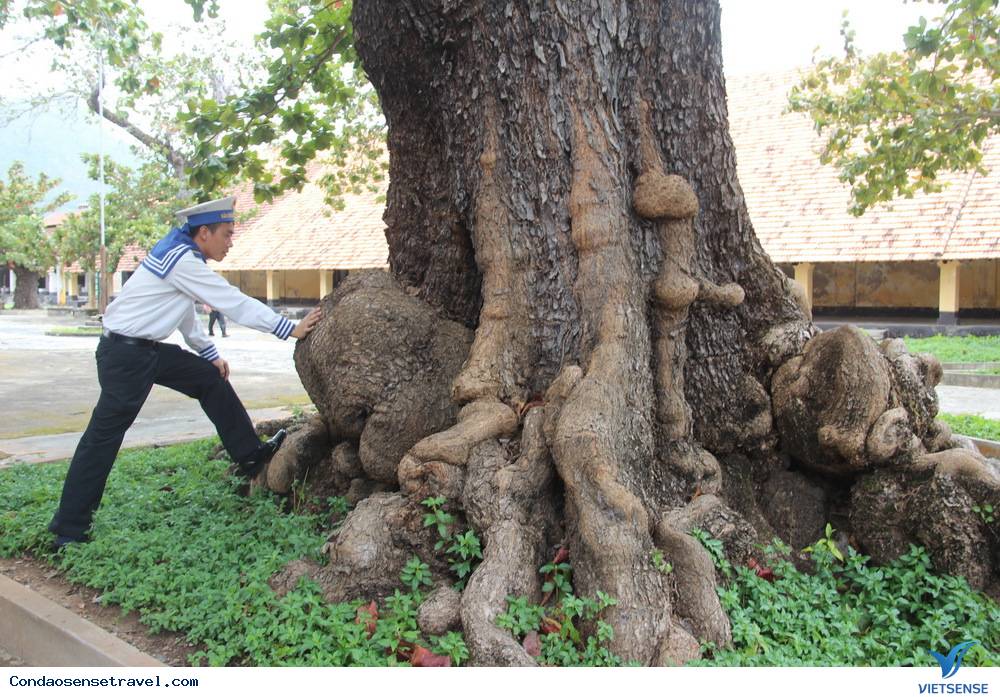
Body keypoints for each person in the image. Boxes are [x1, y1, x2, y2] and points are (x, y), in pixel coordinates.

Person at [48, 196, 322, 549]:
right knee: (102, 439)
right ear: (204, 233)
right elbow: (230, 300)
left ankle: (251, 455)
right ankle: (68, 530)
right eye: (226, 234)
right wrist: (287, 327)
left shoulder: (182, 256)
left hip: (144, 350)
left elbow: (183, 312)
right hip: (125, 357)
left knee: (210, 379)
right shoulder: (181, 260)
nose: (230, 241)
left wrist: (208, 354)